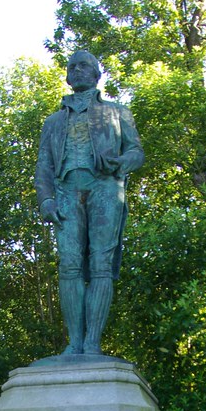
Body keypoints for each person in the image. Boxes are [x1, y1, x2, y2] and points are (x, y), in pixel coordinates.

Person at [35, 50, 144, 357]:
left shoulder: (117, 112)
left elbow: (137, 152)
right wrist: (46, 200)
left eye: (85, 65)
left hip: (105, 188)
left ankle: (92, 344)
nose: (78, 70)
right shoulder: (53, 122)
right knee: (69, 266)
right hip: (67, 190)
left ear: (97, 74)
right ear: (68, 77)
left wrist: (121, 161)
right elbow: (43, 166)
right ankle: (74, 344)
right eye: (72, 67)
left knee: (100, 265)